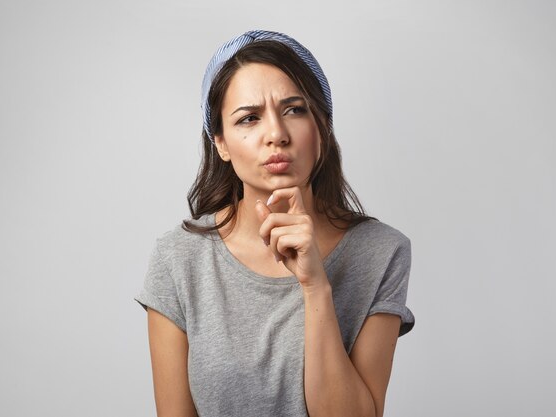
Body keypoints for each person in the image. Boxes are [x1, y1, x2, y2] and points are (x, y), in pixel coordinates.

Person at [135, 30, 415, 417]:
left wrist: (316, 286)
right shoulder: (179, 258)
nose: (276, 135)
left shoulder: (381, 251)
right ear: (221, 143)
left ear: (322, 126)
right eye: (249, 118)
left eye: (294, 110)